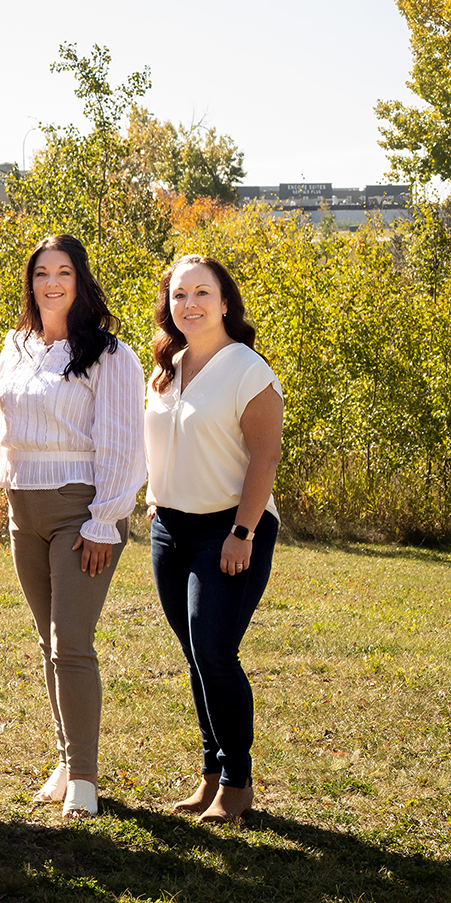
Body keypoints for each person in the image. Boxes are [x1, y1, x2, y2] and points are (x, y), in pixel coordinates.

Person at [0, 235, 147, 820]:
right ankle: (65, 756)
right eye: (40, 273)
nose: (51, 283)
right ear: (30, 283)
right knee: (45, 642)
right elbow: (1, 426)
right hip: (22, 508)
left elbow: (123, 444)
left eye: (63, 272)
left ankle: (85, 775)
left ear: (80, 281)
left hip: (81, 510)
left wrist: (105, 519)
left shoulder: (110, 355)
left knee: (71, 644)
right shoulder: (15, 346)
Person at [144, 255, 283, 828]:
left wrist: (242, 532)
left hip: (229, 529)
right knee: (194, 655)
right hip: (170, 529)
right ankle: (209, 772)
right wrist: (153, 500)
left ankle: (237, 781)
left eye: (203, 293)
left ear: (226, 302)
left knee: (215, 653)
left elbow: (265, 456)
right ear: (168, 305)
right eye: (180, 295)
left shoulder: (248, 369)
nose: (190, 304)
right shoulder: (167, 368)